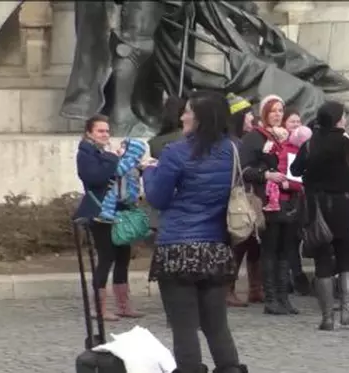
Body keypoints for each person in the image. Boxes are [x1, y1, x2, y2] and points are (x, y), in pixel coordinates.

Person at [143, 90, 245, 373]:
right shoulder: (233, 149)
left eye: (187, 111)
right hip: (215, 247)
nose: (182, 115)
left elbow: (158, 198)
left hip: (178, 247)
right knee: (216, 324)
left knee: (184, 326)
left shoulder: (175, 152)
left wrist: (148, 172)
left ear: (199, 118)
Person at [290, 100, 349, 331]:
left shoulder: (310, 145)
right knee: (345, 257)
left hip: (317, 207)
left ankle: (327, 318)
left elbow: (295, 170)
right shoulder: (348, 145)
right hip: (344, 206)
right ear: (337, 119)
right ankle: (347, 313)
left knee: (322, 259)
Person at [73, 114, 145, 321]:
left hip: (120, 210)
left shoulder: (103, 153)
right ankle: (100, 308)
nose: (105, 134)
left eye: (107, 131)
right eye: (100, 131)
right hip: (99, 213)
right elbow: (95, 178)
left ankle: (124, 305)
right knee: (106, 257)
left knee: (123, 256)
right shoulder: (86, 154)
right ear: (89, 133)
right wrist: (115, 160)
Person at [239, 98, 302, 315]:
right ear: (264, 113)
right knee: (270, 250)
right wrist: (266, 174)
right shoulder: (254, 137)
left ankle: (284, 297)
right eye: (272, 111)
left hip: (289, 199)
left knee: (286, 251)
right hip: (267, 201)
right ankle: (271, 298)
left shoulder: (287, 136)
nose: (277, 114)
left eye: (280, 111)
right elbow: (244, 169)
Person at [225, 93, 262, 307]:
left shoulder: (241, 141)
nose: (252, 119)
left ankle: (255, 288)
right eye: (248, 115)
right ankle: (228, 289)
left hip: (246, 196)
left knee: (251, 243)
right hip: (236, 198)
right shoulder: (232, 143)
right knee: (238, 244)